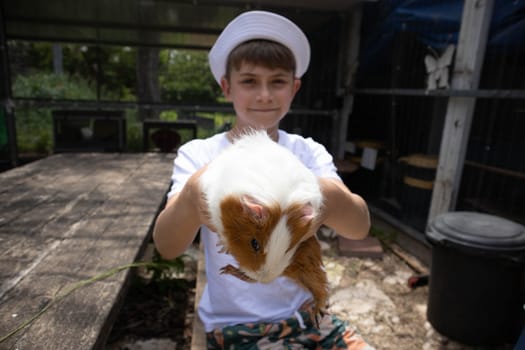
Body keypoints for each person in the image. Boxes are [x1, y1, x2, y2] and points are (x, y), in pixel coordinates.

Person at [153, 10, 373, 349]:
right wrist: (193, 196)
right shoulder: (200, 156)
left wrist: (324, 195)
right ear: (226, 86)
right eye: (250, 81)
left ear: (294, 87)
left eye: (278, 81)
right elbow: (167, 246)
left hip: (308, 316)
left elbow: (359, 228)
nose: (265, 95)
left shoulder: (308, 154)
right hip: (236, 327)